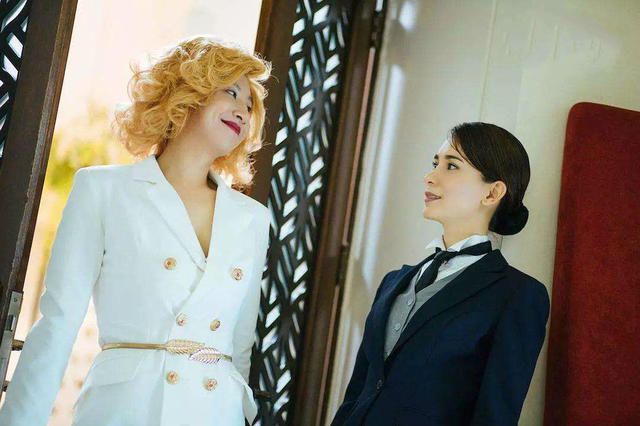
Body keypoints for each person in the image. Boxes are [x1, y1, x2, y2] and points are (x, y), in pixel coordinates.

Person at [0, 36, 271, 425]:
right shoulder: (103, 190)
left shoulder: (252, 219)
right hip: (124, 410)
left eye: (250, 105)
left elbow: (239, 347)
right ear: (187, 91)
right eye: (231, 92)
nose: (243, 111)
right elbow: (59, 323)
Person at [331, 122, 550, 425]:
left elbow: (495, 416)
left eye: (451, 166)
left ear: (493, 192)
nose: (430, 177)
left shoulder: (518, 296)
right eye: (435, 163)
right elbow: (357, 395)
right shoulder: (393, 282)